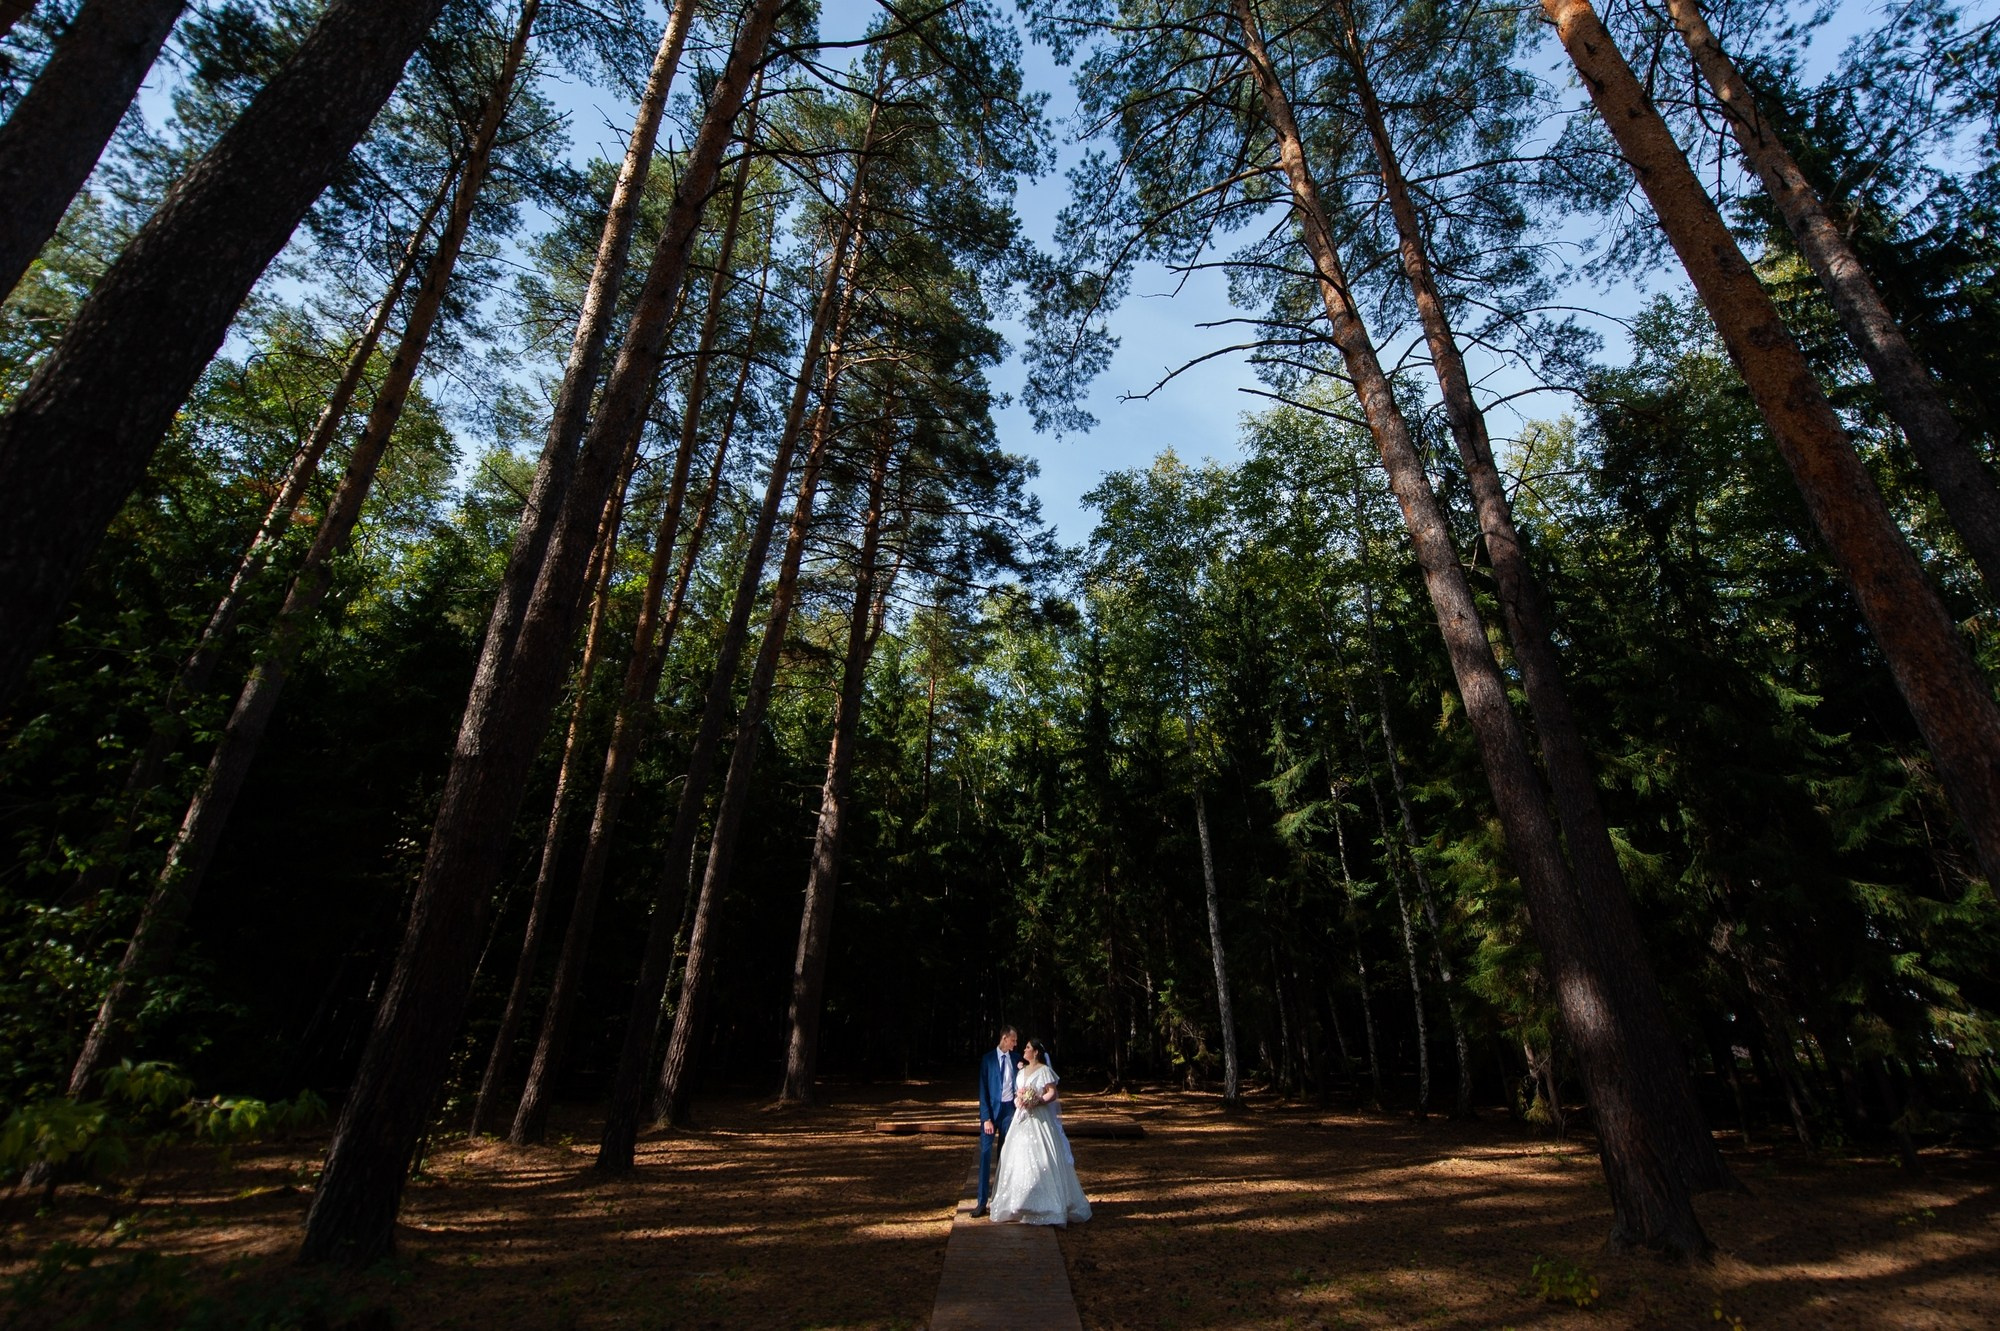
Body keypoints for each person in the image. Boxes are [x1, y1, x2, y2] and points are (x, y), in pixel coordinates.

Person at [988, 1037, 1091, 1225]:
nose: (1024, 1050)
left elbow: (1052, 1092)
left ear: (1035, 1052)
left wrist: (1037, 1100)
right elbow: (1017, 1091)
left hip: (1039, 1117)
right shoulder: (1021, 1071)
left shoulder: (1044, 1070)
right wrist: (1019, 1100)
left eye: (1027, 1047)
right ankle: (1018, 1203)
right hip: (1021, 1118)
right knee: (1018, 1157)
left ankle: (1047, 1204)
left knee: (1042, 1157)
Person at [971, 1025, 1019, 1218]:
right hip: (991, 1112)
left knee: (1005, 1157)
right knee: (985, 1155)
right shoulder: (988, 1059)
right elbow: (983, 1090)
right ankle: (981, 1202)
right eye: (1013, 1040)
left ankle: (1000, 1200)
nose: (1015, 1044)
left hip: (1009, 1112)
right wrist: (986, 1118)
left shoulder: (1016, 1059)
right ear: (1004, 1038)